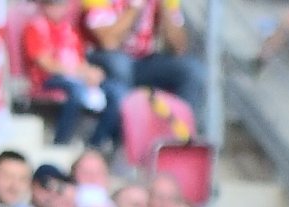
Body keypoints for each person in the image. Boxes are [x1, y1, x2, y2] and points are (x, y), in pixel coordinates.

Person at [80, 0, 205, 128]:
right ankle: (128, 131)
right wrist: (135, 6)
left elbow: (179, 48)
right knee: (121, 66)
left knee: (192, 70)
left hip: (144, 61)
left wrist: (166, 10)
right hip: (102, 57)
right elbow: (109, 42)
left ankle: (179, 135)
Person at [24, 0, 120, 150]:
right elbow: (45, 64)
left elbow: (79, 59)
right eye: (52, 4)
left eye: (60, 4)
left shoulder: (69, 29)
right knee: (76, 90)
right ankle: (60, 143)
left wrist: (91, 72)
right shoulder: (36, 27)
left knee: (114, 92)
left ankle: (95, 144)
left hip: (75, 76)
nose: (56, 8)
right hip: (47, 79)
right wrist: (78, 72)